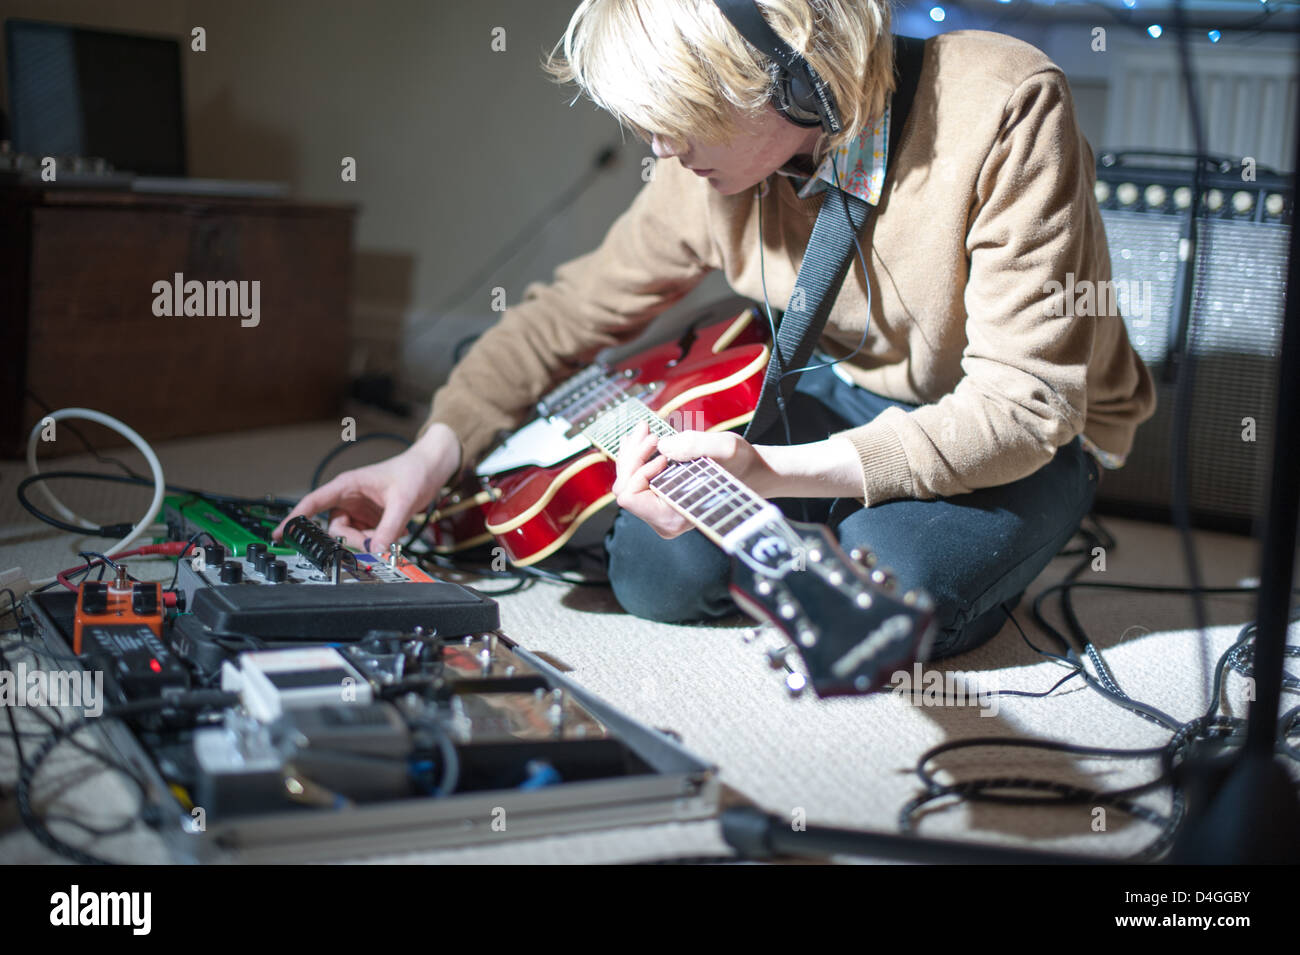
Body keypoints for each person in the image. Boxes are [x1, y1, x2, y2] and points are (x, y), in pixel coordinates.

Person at [276, 0, 1155, 660]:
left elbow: (1026, 401)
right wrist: (427, 457)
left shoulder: (1003, 103)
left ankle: (909, 534)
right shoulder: (696, 172)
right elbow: (566, 312)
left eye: (679, 116)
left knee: (894, 586)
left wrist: (772, 473)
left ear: (793, 78)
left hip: (1026, 429)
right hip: (846, 391)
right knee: (657, 571)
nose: (657, 146)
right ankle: (817, 524)